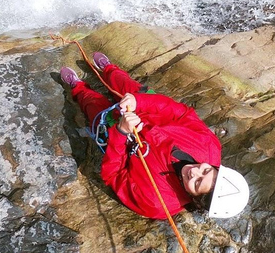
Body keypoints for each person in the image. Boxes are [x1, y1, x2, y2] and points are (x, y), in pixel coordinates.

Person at [60, 52, 250, 220]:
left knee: (95, 109)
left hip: (120, 140)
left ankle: (78, 88)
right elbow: (181, 114)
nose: (195, 171)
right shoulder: (209, 146)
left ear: (196, 201)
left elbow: (113, 175)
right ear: (216, 167)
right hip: (148, 110)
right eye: (207, 171)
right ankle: (109, 69)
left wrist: (120, 133)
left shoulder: (156, 204)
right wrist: (140, 102)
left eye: (197, 183)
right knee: (129, 87)